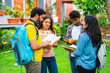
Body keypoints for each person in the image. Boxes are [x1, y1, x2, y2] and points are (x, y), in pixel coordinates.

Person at [24, 7, 51, 73]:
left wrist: (41, 42)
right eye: (42, 18)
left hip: (32, 58)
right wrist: (44, 44)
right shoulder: (31, 27)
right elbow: (34, 46)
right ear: (36, 16)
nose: (42, 20)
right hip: (34, 60)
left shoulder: (28, 25)